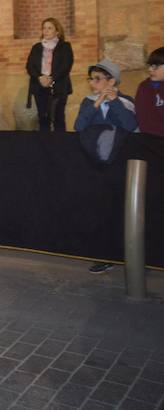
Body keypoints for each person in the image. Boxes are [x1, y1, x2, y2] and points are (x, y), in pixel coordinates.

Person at [74, 59, 138, 275]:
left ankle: (133, 255)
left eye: (98, 79)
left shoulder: (126, 101)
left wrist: (114, 102)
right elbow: (79, 126)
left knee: (122, 209)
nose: (93, 83)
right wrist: (96, 104)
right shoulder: (88, 101)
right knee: (98, 209)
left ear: (112, 80)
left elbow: (130, 125)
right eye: (91, 79)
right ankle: (103, 256)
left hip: (119, 162)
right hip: (94, 163)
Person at [26, 17, 73, 132]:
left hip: (58, 87)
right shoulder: (36, 47)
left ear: (57, 31)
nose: (46, 31)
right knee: (43, 118)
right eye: (44, 28)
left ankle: (60, 147)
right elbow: (30, 66)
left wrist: (51, 79)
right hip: (39, 86)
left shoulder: (65, 46)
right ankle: (45, 147)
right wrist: (40, 77)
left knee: (58, 118)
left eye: (49, 28)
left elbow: (66, 66)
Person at [135, 47, 164, 137]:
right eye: (150, 65)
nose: (150, 69)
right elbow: (146, 123)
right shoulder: (145, 87)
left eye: (155, 66)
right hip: (154, 139)